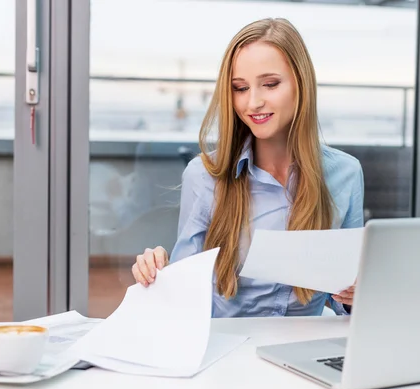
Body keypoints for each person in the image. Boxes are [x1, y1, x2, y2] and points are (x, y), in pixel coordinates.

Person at [131, 18, 365, 317]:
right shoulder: (204, 176)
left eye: (270, 84)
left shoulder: (345, 174)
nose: (252, 102)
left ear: (301, 84)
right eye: (240, 88)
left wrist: (354, 294)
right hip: (228, 353)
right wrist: (157, 271)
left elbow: (345, 300)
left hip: (306, 348)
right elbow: (182, 298)